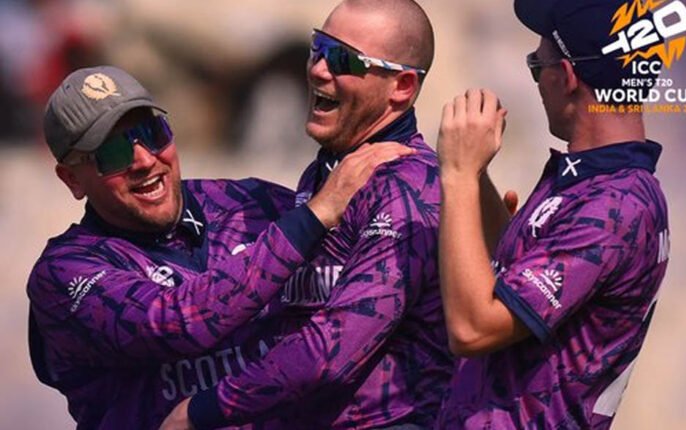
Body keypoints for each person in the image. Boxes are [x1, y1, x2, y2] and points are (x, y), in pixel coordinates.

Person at [27, 65, 413, 429]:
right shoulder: (63, 274)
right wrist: (314, 217)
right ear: (71, 179)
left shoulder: (250, 203)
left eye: (152, 133)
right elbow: (175, 323)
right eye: (113, 154)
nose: (144, 160)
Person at [161, 1, 453, 429]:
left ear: (402, 86)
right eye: (319, 48)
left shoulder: (408, 187)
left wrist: (202, 411)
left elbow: (333, 349)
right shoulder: (330, 171)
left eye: (343, 60)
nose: (318, 69)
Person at [436, 0, 670, 428]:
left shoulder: (614, 206)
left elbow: (474, 329)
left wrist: (459, 174)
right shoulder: (593, 181)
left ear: (567, 76)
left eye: (536, 66)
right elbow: (525, 286)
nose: (539, 82)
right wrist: (478, 181)